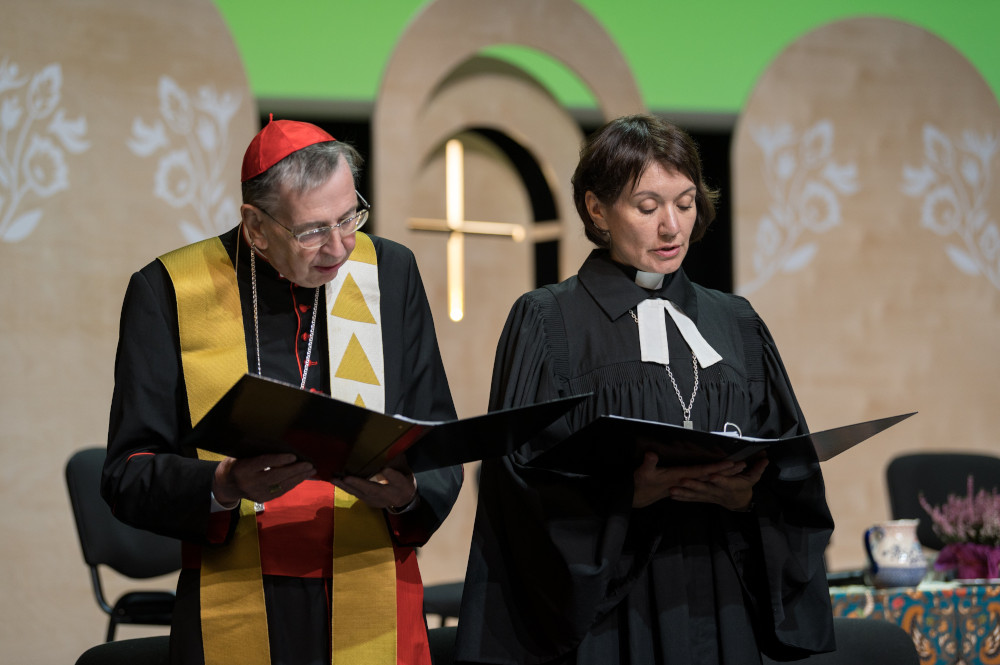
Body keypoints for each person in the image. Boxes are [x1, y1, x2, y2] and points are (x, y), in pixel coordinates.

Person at [454, 114, 835, 665]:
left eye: (684, 203)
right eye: (648, 206)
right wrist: (624, 497)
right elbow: (516, 483)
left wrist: (750, 497)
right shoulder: (547, 320)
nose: (673, 228)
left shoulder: (737, 322)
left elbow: (793, 466)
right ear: (596, 209)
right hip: (609, 617)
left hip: (720, 601)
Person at [104, 117, 462, 665]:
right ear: (255, 225)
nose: (340, 248)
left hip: (373, 587)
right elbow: (128, 471)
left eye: (350, 217)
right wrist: (222, 483)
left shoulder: (390, 272)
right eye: (312, 230)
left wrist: (408, 493)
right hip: (238, 594)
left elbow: (436, 437)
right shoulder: (168, 291)